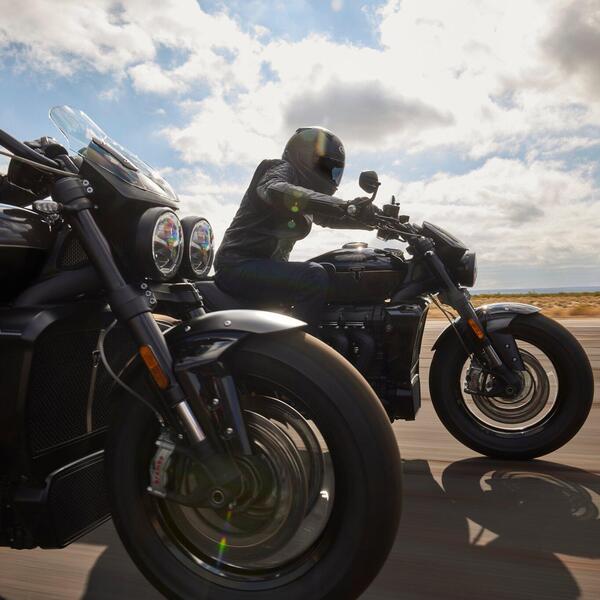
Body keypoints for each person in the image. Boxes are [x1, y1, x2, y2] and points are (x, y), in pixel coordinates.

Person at [214, 126, 378, 329]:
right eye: (326, 167)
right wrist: (346, 205)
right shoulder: (279, 169)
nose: (330, 176)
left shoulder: (307, 197)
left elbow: (330, 216)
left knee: (333, 271)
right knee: (313, 275)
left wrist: (375, 219)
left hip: (264, 267)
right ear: (303, 156)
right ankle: (301, 345)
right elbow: (274, 188)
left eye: (335, 171)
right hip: (236, 265)